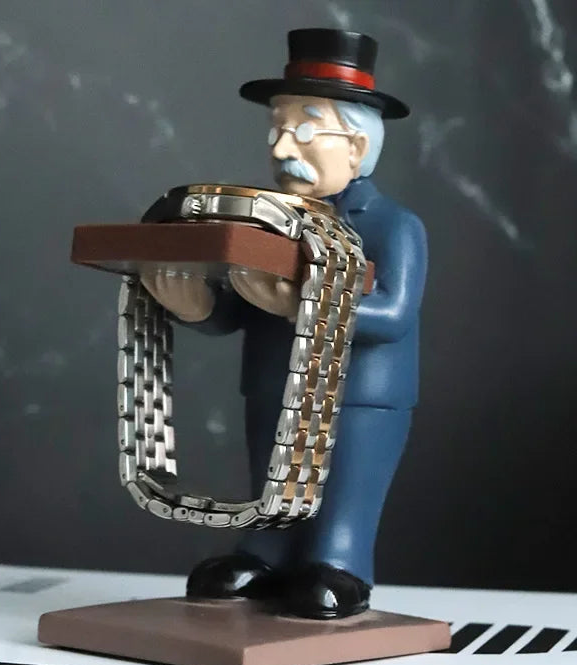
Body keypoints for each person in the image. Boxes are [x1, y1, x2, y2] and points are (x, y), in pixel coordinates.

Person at [144, 28, 428, 619]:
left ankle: (339, 563)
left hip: (360, 398)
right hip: (273, 383)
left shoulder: (393, 226)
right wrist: (199, 308)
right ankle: (266, 550)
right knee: (272, 479)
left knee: (344, 487)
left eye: (304, 129)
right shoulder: (267, 223)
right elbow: (243, 307)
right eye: (276, 128)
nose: (280, 147)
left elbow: (394, 315)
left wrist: (303, 305)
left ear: (356, 146)